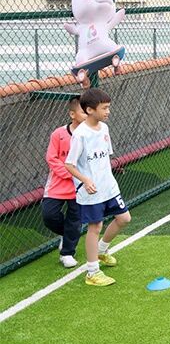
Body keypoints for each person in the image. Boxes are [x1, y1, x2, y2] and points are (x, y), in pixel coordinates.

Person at [63, 88, 131, 287]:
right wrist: (85, 180)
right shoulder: (80, 135)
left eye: (108, 107)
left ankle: (101, 250)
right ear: (90, 110)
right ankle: (92, 272)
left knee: (124, 218)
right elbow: (69, 164)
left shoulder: (104, 128)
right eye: (104, 108)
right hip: (90, 191)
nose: (108, 111)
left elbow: (105, 156)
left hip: (108, 187)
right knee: (95, 227)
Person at [41, 96, 85, 268]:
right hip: (57, 185)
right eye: (83, 111)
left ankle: (67, 253)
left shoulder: (90, 134)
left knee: (75, 219)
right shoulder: (58, 134)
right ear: (72, 114)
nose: (87, 114)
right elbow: (51, 158)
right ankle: (67, 235)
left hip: (79, 186)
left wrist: (81, 177)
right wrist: (69, 173)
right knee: (49, 216)